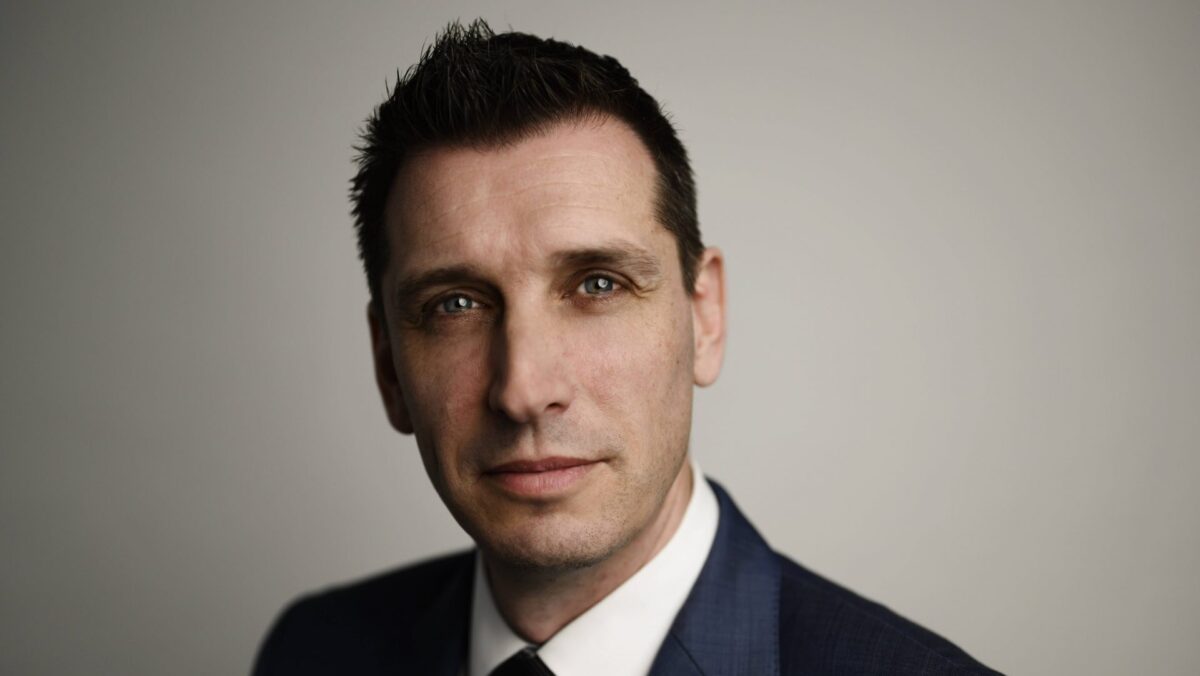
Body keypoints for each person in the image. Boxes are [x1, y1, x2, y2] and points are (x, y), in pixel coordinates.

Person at [253, 20, 1000, 676]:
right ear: (388, 365)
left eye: (598, 284)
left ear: (704, 317)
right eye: (456, 304)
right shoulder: (312, 652)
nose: (524, 390)